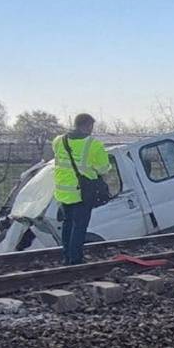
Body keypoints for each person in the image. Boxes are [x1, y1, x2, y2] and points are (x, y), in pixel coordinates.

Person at [51, 113, 112, 265]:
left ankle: (66, 256)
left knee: (67, 223)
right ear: (88, 126)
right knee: (80, 226)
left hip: (63, 192)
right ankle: (76, 259)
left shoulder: (59, 140)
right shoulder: (93, 144)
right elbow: (103, 168)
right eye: (91, 126)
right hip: (81, 192)